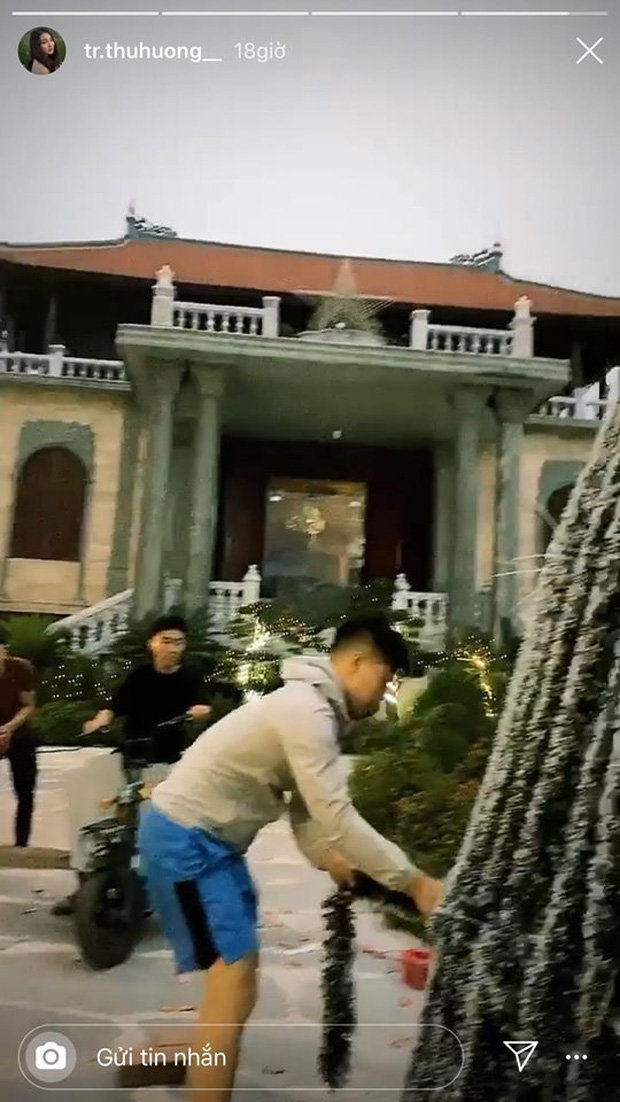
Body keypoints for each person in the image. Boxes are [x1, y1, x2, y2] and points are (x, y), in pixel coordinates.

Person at [138, 615, 444, 1102]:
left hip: (209, 846)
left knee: (236, 983)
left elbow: (307, 814)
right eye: (385, 679)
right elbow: (336, 816)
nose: (384, 694)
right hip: (183, 842)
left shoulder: (313, 710)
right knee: (233, 982)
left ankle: (204, 1082)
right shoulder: (308, 712)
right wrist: (415, 882)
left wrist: (331, 861)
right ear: (356, 661)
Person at [52, 614, 211, 915]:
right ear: (152, 644)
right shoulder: (139, 676)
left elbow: (202, 704)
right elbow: (114, 707)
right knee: (87, 805)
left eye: (179, 642)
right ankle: (85, 884)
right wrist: (100, 720)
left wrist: (200, 710)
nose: (173, 648)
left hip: (164, 764)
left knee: (155, 826)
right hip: (128, 757)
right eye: (166, 641)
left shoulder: (190, 677)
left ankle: (150, 892)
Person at [0, 633, 37, 848]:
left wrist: (9, 728)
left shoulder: (21, 669)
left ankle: (21, 842)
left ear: (4, 652)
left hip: (16, 728)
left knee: (26, 789)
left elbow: (28, 706)